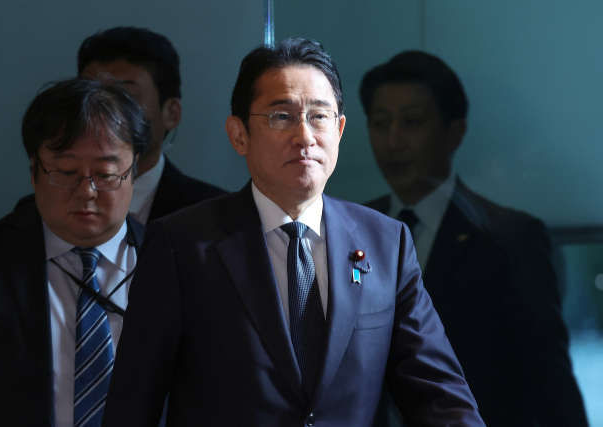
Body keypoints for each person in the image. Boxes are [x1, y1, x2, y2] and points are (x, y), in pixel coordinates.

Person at [101, 38, 485, 427]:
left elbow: (440, 396)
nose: (304, 136)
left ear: (339, 130)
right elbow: (133, 405)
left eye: (319, 116)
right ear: (238, 134)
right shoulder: (182, 244)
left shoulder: (386, 242)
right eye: (281, 116)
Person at [361, 51, 588, 427]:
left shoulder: (508, 236)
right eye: (380, 123)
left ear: (454, 133)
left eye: (412, 122)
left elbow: (548, 380)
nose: (392, 140)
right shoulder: (354, 228)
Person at [0, 78, 152, 426]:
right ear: (34, 170)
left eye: (106, 173)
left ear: (134, 170)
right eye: (66, 172)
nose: (86, 191)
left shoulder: (178, 262)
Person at [15, 26, 226, 224]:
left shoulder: (213, 214)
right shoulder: (32, 214)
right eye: (91, 95)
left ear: (171, 113)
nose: (105, 112)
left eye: (127, 96)